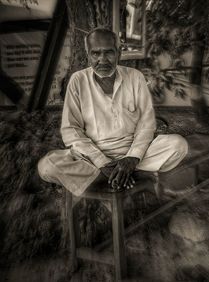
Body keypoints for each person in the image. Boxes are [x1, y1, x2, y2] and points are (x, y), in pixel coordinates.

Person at [37, 27, 188, 196]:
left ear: (119, 53)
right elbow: (71, 131)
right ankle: (131, 178)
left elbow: (147, 124)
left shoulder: (135, 77)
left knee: (178, 145)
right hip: (92, 157)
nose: (102, 60)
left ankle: (110, 178)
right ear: (88, 55)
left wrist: (133, 157)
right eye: (96, 53)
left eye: (109, 53)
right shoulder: (78, 80)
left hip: (134, 154)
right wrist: (102, 162)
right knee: (47, 166)